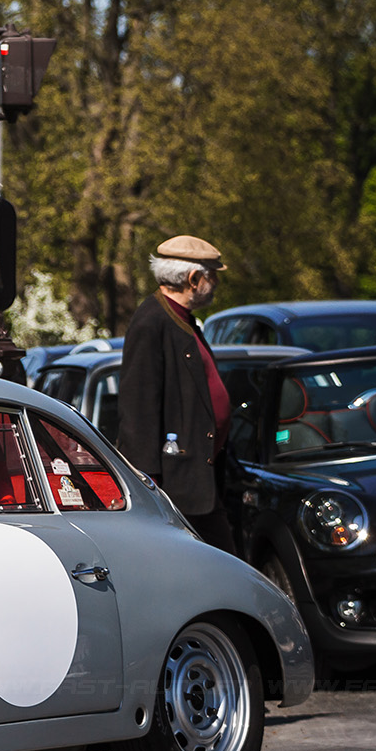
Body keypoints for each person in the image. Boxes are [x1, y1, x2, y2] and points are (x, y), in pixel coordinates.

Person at [117, 234, 236, 554]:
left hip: (197, 485)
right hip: (178, 491)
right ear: (194, 279)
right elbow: (138, 410)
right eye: (212, 277)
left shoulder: (181, 320)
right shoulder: (152, 321)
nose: (215, 285)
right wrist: (151, 490)